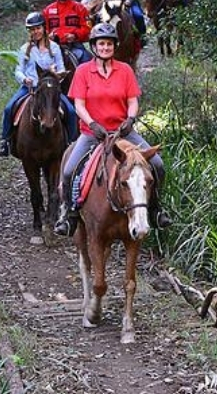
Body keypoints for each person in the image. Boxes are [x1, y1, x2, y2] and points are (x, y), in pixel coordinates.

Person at [53, 23, 172, 237]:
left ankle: (155, 208)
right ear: (94, 46)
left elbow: (133, 100)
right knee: (70, 170)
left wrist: (130, 118)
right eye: (101, 44)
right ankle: (69, 214)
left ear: (114, 46)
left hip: (123, 132)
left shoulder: (125, 70)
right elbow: (79, 105)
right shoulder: (82, 71)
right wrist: (92, 124)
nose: (105, 48)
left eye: (109, 44)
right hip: (93, 134)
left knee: (157, 164)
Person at [0, 11, 77, 157]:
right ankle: (5, 141)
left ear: (44, 28)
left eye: (38, 28)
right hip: (30, 87)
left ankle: (72, 142)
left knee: (71, 110)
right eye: (32, 29)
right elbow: (18, 70)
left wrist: (56, 75)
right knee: (9, 108)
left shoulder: (54, 48)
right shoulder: (24, 49)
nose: (36, 32)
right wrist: (24, 79)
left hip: (50, 88)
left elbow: (61, 68)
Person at [43, 0, 92, 65]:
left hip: (74, 45)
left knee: (89, 62)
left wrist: (75, 35)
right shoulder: (48, 10)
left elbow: (87, 28)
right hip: (52, 47)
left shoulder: (80, 8)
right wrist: (48, 36)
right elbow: (43, 30)